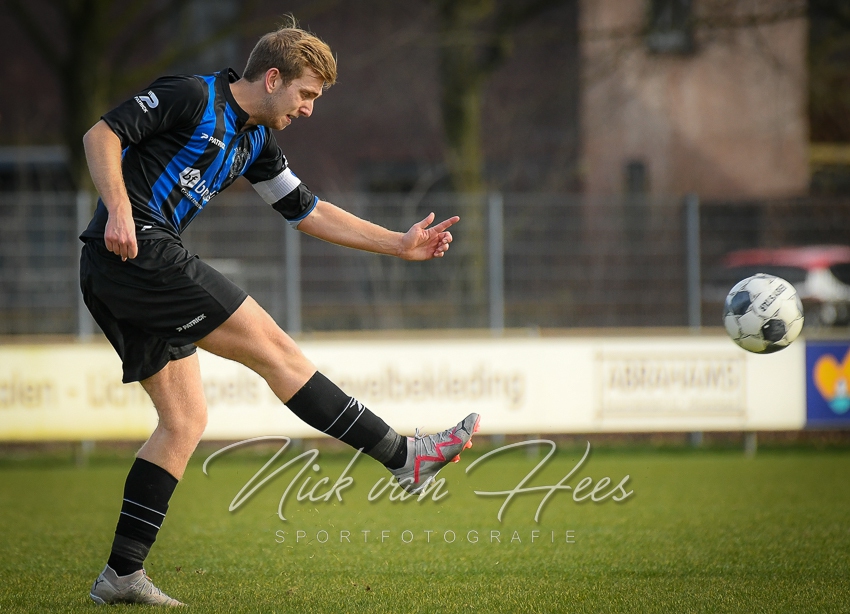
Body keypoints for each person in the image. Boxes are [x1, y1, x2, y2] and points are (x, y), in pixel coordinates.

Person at [80, 20, 480, 607]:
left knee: (184, 421)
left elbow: (306, 210)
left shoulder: (255, 142)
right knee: (276, 351)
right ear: (273, 78)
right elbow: (101, 134)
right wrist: (118, 209)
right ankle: (403, 457)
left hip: (123, 268)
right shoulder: (192, 96)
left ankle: (121, 574)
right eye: (306, 94)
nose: (309, 109)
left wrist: (398, 243)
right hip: (136, 251)